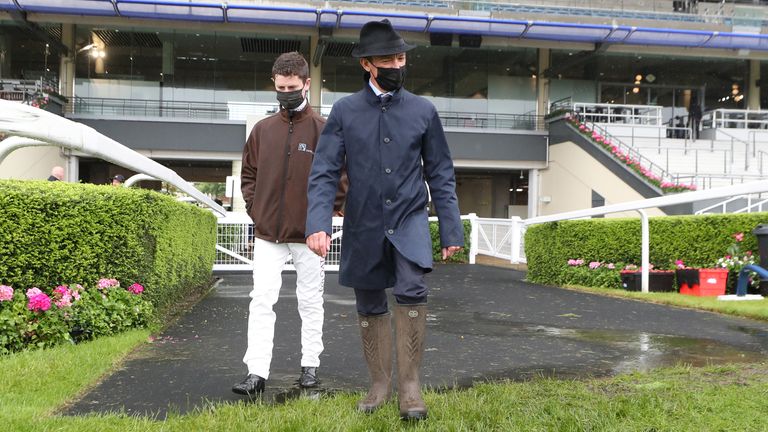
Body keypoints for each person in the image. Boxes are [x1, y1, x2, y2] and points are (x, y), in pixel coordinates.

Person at [305, 19, 464, 421]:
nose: (398, 63)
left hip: (409, 217)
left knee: (412, 289)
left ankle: (410, 388)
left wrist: (450, 227)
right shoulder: (344, 111)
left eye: (401, 56)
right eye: (389, 58)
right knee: (369, 299)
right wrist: (318, 223)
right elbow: (324, 170)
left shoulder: (424, 111)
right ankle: (379, 384)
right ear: (368, 65)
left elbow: (440, 172)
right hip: (364, 221)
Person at [233, 51, 346, 397]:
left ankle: (310, 367)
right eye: (280, 87)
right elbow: (248, 174)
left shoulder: (324, 130)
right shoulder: (262, 130)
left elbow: (341, 178)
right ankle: (256, 373)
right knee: (261, 299)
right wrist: (256, 210)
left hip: (310, 234)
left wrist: (327, 217)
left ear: (307, 84)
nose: (286, 93)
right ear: (275, 84)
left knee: (311, 300)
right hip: (268, 234)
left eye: (292, 87)